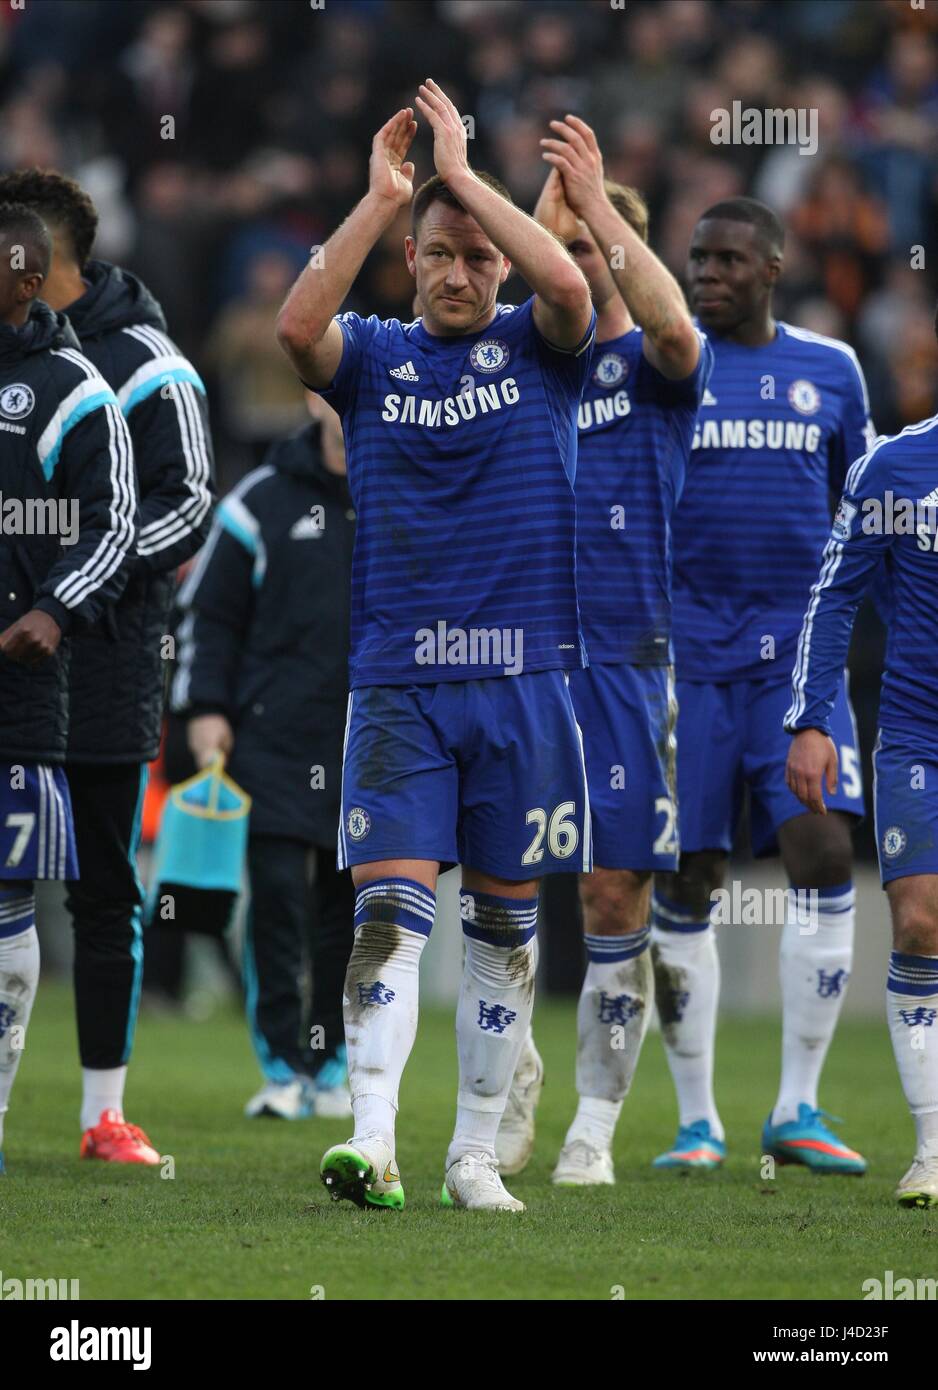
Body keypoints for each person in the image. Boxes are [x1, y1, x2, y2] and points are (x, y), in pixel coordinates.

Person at [276, 81, 595, 1212]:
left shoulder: (541, 349)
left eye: (476, 258)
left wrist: (463, 180)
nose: (460, 274)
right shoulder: (369, 358)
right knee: (388, 918)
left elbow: (568, 280)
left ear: (498, 269)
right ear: (409, 264)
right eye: (439, 255)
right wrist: (380, 200)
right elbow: (293, 329)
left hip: (523, 683)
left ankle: (472, 1156)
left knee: (502, 933)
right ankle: (374, 1140)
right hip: (401, 683)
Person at [496, 118, 712, 1185]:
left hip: (624, 666)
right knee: (501, 887)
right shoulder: (509, 368)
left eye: (585, 247)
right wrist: (552, 214)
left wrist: (596, 212)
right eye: (555, 244)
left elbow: (680, 332)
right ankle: (511, 1076)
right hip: (515, 658)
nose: (568, 260)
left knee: (611, 899)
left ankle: (593, 1125)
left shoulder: (648, 369)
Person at [652, 198, 876, 1174]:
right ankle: (694, 1119)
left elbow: (863, 508)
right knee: (688, 877)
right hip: (684, 668)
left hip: (797, 666)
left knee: (823, 853)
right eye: (696, 257)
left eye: (728, 258)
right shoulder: (664, 365)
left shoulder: (830, 369)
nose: (706, 273)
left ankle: (795, 1105)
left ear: (773, 264)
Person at [0, 169, 214, 1163]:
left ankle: (102, 1113)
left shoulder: (147, 363)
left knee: (99, 887)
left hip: (109, 658)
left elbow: (184, 506)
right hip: (21, 656)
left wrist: (72, 587)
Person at [172, 394, 356, 1120]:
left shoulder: (412, 481)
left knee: (349, 913)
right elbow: (207, 615)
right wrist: (205, 709)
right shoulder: (259, 500)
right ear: (313, 394)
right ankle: (282, 1068)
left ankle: (335, 1067)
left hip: (375, 741)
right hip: (271, 743)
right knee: (277, 902)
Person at [0, 202, 137, 1172]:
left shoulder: (72, 388)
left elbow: (116, 521)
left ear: (22, 273)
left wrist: (54, 607)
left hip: (18, 688)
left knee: (10, 902)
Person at [784, 364, 938, 1207]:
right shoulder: (892, 468)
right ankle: (931, 1146)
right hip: (917, 733)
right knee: (918, 923)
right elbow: (832, 597)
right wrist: (810, 718)